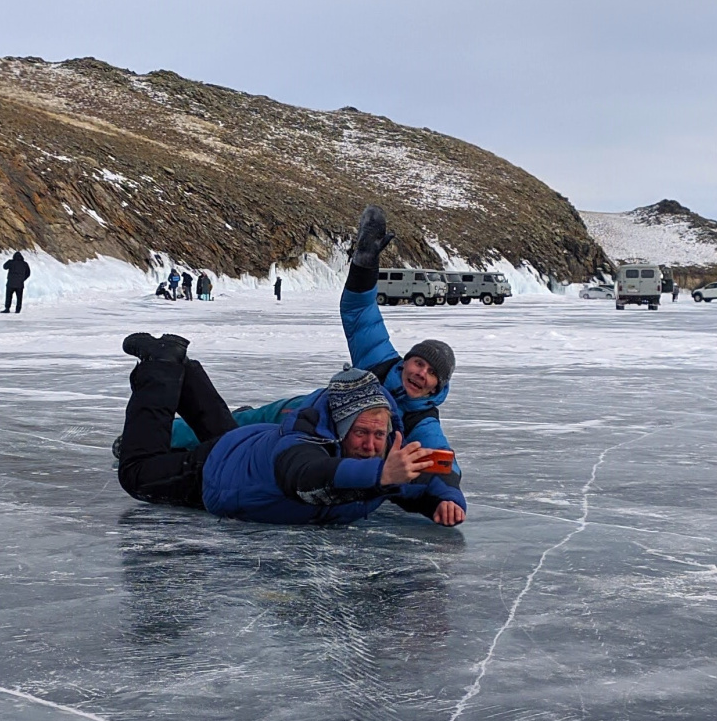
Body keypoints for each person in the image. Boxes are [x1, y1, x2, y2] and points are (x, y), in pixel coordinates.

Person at [169, 206, 465, 503]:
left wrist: (449, 496)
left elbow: (443, 462)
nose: (420, 373)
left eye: (431, 374)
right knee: (239, 425)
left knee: (236, 444)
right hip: (300, 412)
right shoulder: (382, 361)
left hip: (314, 445)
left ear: (437, 389)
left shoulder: (422, 423)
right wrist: (364, 265)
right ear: (407, 361)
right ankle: (165, 436)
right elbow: (360, 312)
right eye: (419, 362)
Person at [115, 334, 463, 526]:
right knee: (136, 474)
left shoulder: (384, 453)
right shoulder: (306, 445)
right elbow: (307, 476)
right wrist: (380, 474)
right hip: (214, 472)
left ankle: (182, 366)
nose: (371, 445)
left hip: (245, 447)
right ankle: (160, 364)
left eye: (378, 435)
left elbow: (428, 473)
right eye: (360, 434)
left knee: (222, 429)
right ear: (340, 431)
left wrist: (446, 500)